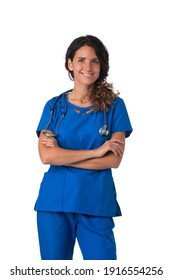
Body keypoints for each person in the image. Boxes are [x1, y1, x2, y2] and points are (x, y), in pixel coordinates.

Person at [34, 35, 133, 260]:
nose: (87, 66)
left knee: (104, 271)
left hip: (96, 202)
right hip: (55, 203)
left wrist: (64, 154)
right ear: (70, 64)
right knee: (54, 273)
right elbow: (47, 155)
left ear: (102, 66)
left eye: (95, 61)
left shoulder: (115, 106)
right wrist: (96, 152)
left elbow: (113, 160)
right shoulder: (54, 106)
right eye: (81, 60)